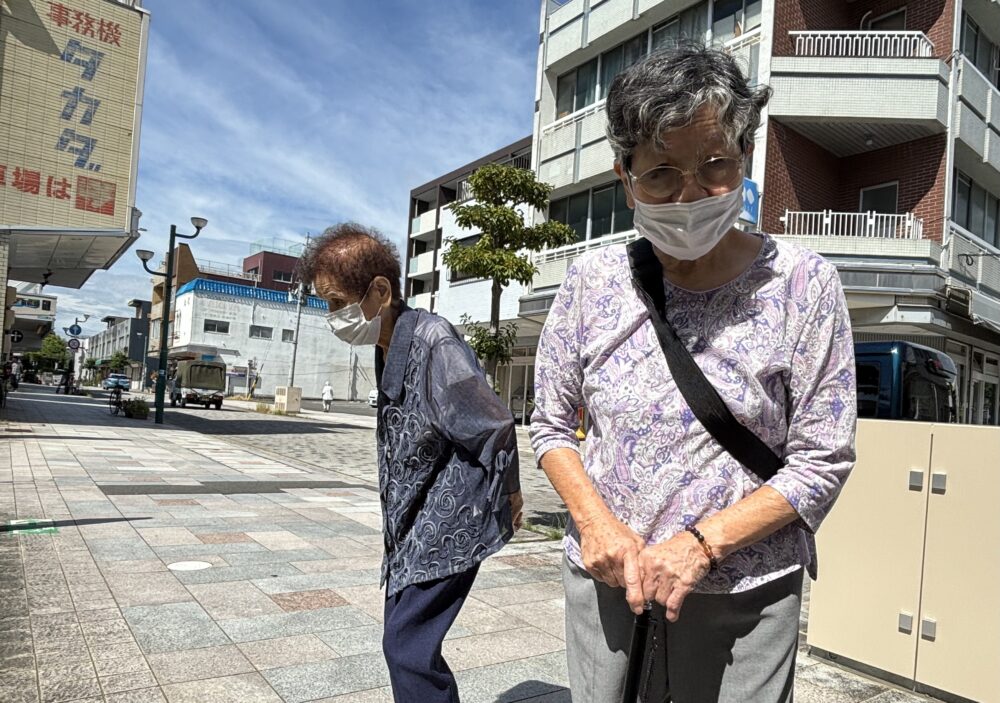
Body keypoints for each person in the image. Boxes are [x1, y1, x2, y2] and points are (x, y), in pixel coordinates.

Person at [530, 43, 857, 703]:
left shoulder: (802, 283)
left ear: (744, 158)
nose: (690, 193)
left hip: (746, 593)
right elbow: (550, 423)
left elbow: (822, 459)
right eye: (660, 172)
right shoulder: (592, 282)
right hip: (608, 587)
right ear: (624, 177)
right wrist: (595, 522)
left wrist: (702, 544)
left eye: (714, 165)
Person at [297, 223, 524, 703]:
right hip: (413, 521)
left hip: (451, 517)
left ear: (380, 290)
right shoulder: (388, 344)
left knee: (406, 646)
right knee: (405, 640)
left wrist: (512, 494)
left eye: (337, 301)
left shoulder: (433, 340)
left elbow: (492, 423)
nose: (332, 315)